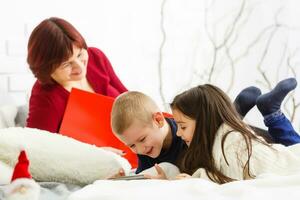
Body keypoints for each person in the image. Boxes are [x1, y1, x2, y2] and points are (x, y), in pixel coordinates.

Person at [111, 78, 300, 174]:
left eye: (142, 140)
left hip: (254, 137)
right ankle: (234, 112)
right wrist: (125, 179)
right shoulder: (146, 149)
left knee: (289, 146)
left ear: (159, 120)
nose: (140, 149)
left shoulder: (186, 135)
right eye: (132, 146)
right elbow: (144, 175)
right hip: (223, 130)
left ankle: (271, 114)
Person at [167, 80, 300, 184]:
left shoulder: (233, 145)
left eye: (183, 127)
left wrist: (194, 180)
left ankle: (265, 113)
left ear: (204, 122)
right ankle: (241, 111)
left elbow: (229, 182)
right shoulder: (213, 146)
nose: (178, 133)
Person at [26, 17, 127, 135]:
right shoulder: (44, 97)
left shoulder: (95, 57)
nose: (80, 67)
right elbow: (37, 147)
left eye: (79, 55)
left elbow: (127, 98)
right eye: (66, 64)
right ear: (47, 69)